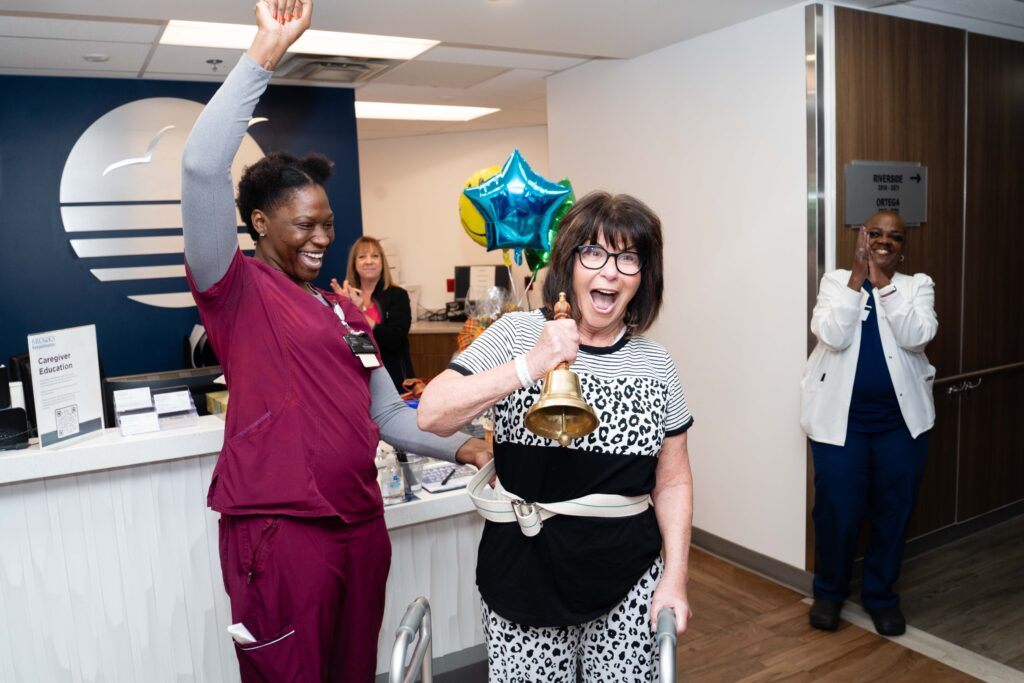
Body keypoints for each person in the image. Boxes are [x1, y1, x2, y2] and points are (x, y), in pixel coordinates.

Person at [180, 2, 491, 681]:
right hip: (283, 529)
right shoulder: (236, 289)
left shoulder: (344, 310)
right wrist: (266, 51)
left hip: (360, 524)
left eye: (328, 222)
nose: (323, 237)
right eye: (305, 224)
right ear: (259, 222)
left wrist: (468, 447)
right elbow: (202, 167)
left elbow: (387, 415)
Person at [417, 192, 694, 682]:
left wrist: (675, 578)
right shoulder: (517, 333)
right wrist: (532, 364)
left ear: (643, 276)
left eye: (628, 258)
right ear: (570, 262)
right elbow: (433, 413)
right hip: (523, 580)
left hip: (629, 584)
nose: (610, 272)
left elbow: (672, 481)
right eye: (594, 253)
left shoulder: (656, 363)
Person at [801, 210, 937, 637]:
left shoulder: (917, 286)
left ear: (903, 247)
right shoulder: (835, 282)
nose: (884, 241)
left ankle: (880, 597)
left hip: (900, 426)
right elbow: (831, 334)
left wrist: (883, 284)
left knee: (892, 511)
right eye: (875, 233)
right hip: (841, 425)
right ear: (861, 237)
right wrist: (858, 280)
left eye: (894, 237)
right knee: (836, 511)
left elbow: (917, 336)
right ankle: (829, 593)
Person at [330, 236, 414, 391]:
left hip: (395, 380)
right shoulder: (345, 297)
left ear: (382, 262)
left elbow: (394, 340)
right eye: (362, 256)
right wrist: (341, 308)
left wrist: (359, 312)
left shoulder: (398, 295)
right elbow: (341, 343)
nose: (369, 261)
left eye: (375, 256)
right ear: (354, 264)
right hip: (358, 379)